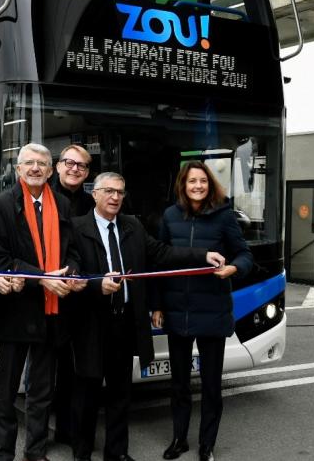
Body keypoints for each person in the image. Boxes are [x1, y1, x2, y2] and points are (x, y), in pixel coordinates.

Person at [68, 172, 225, 461]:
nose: (115, 197)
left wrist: (202, 256)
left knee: (120, 393)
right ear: (94, 194)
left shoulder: (132, 226)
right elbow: (72, 268)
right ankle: (82, 453)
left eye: (120, 192)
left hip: (125, 321)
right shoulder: (77, 227)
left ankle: (117, 453)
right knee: (87, 394)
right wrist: (95, 284)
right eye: (109, 191)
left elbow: (162, 253)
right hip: (91, 323)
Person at [0, 143, 82, 461]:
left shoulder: (64, 205)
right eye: (29, 163)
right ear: (19, 169)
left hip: (53, 313)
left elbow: (74, 251)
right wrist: (42, 278)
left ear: (51, 170)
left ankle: (36, 451)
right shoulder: (1, 205)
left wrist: (71, 274)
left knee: (41, 391)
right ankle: (3, 452)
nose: (36, 168)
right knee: (7, 391)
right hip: (16, 311)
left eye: (42, 163)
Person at [151, 161, 253, 461]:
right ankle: (179, 439)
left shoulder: (224, 217)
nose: (197, 186)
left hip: (212, 311)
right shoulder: (170, 216)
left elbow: (244, 254)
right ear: (183, 185)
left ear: (210, 185)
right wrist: (157, 304)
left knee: (210, 385)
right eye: (192, 181)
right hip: (177, 311)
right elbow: (159, 259)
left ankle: (207, 444)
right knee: (179, 384)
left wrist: (234, 268)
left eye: (203, 181)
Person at [49, 144, 96, 445]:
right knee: (49, 369)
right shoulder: (43, 197)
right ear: (58, 166)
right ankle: (46, 432)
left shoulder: (93, 202)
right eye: (69, 162)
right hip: (49, 295)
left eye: (81, 165)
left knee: (78, 370)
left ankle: (72, 430)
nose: (74, 168)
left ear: (87, 172)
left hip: (85, 295)